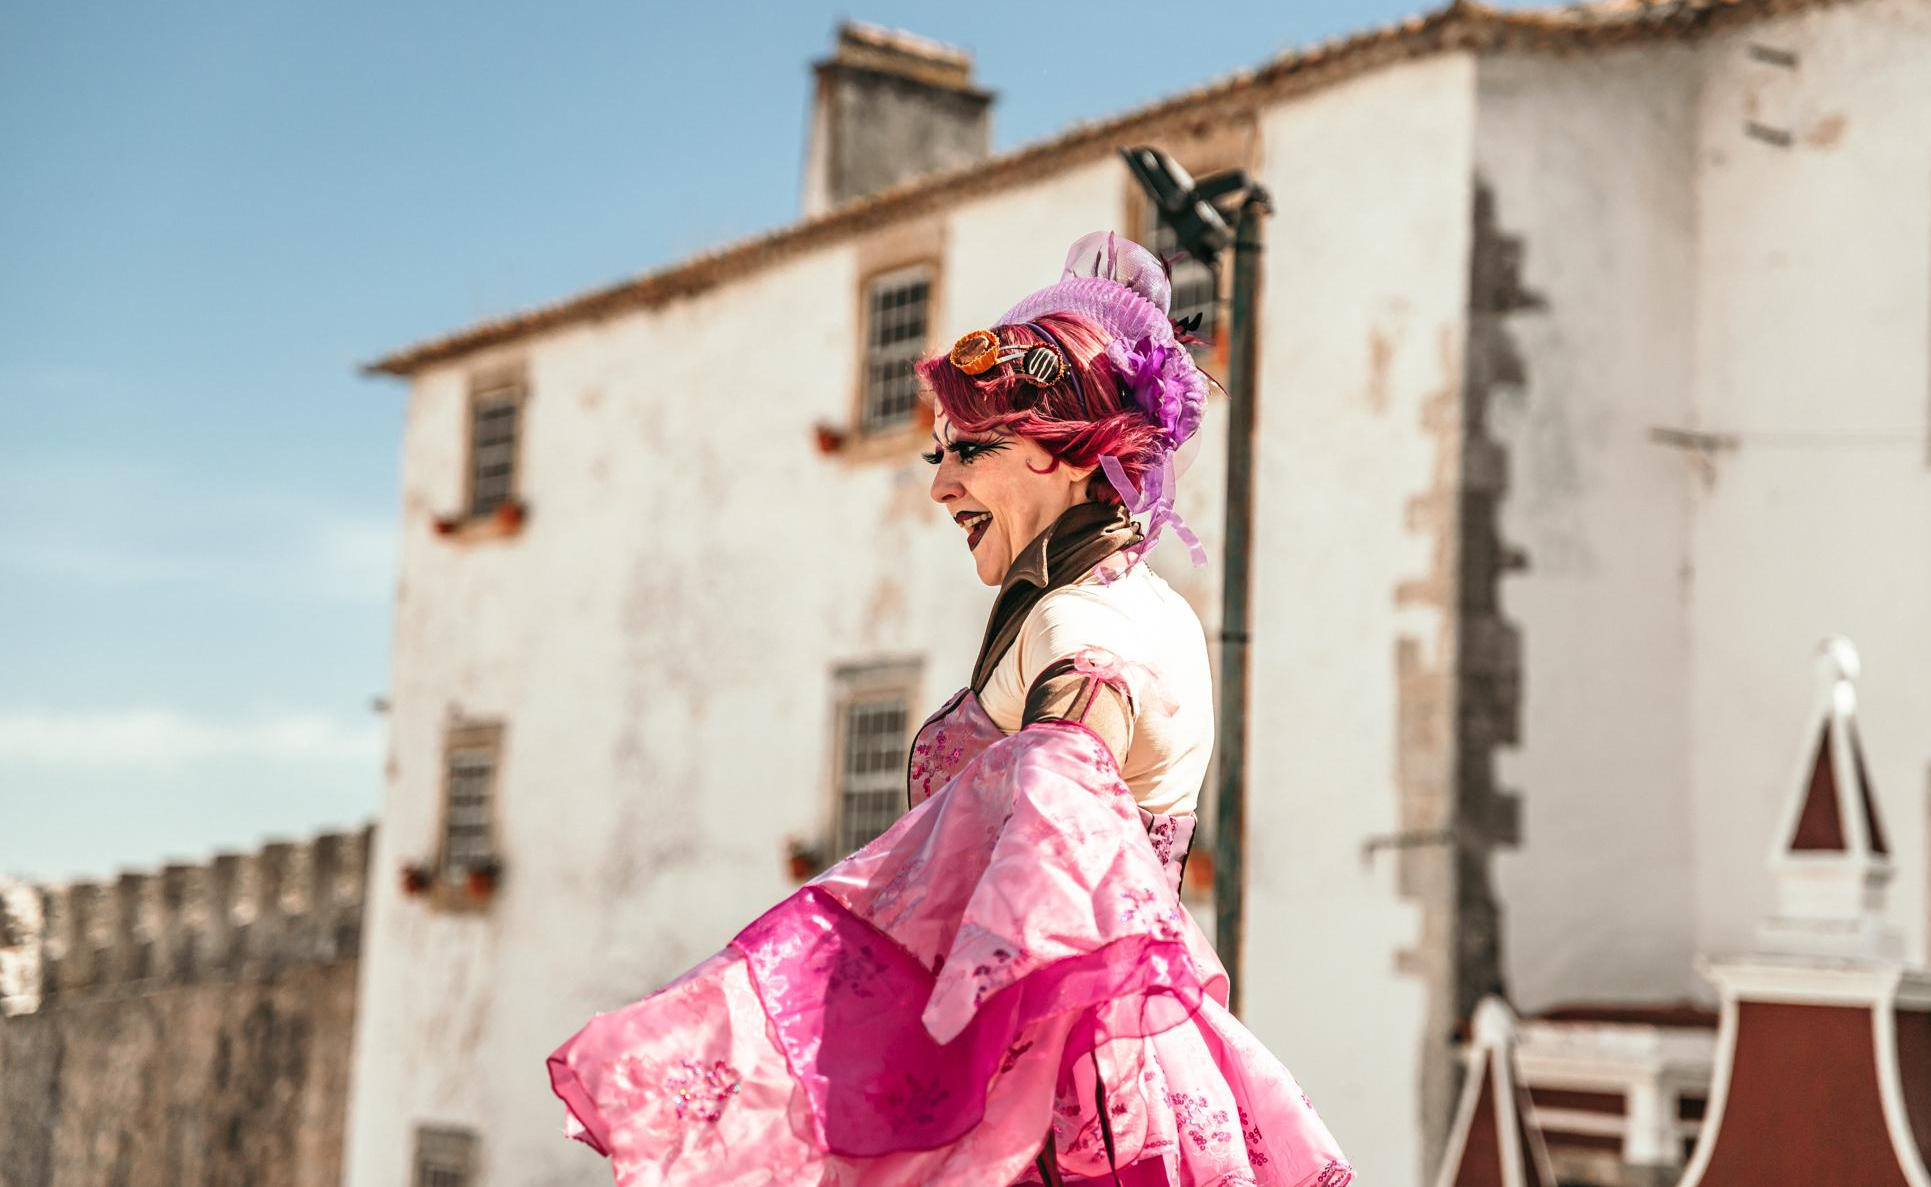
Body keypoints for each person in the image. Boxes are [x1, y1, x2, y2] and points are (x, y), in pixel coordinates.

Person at [547, 233, 1352, 1186]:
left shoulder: (1080, 624)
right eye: (940, 453)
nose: (941, 484)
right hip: (1107, 1079)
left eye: (973, 450)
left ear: (1067, 455)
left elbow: (1061, 840)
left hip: (1057, 1102)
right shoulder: (1140, 605)